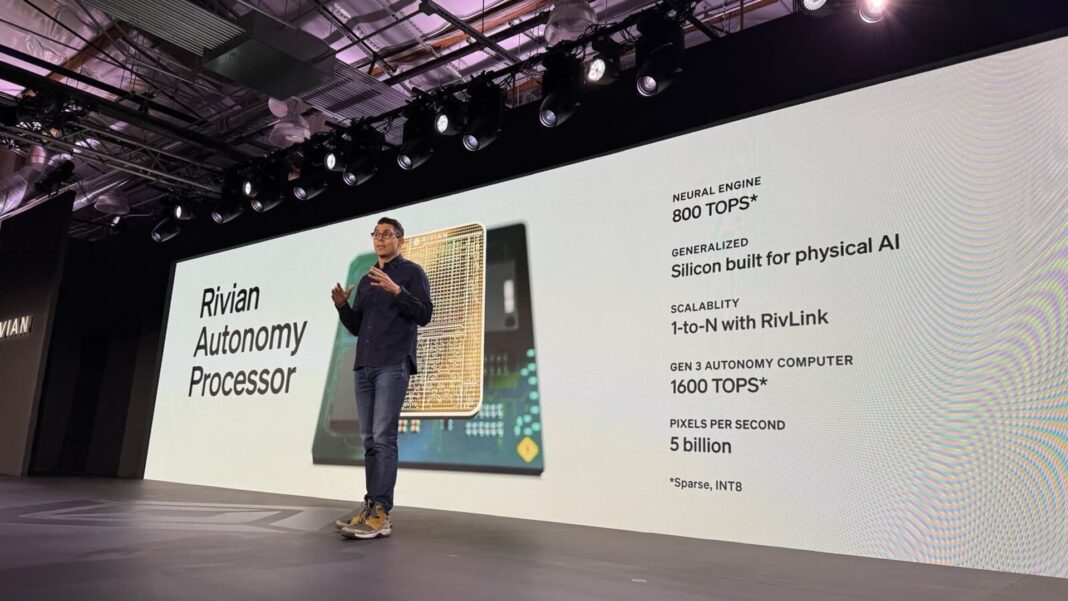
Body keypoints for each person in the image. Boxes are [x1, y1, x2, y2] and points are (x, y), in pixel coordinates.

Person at [330, 217, 433, 539]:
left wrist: (397, 291)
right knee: (369, 439)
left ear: (400, 240)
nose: (380, 238)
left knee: (383, 437)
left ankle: (382, 512)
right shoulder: (366, 281)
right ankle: (370, 504)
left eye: (387, 234)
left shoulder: (412, 273)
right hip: (365, 366)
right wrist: (343, 307)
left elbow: (425, 314)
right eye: (376, 234)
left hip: (392, 363)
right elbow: (357, 327)